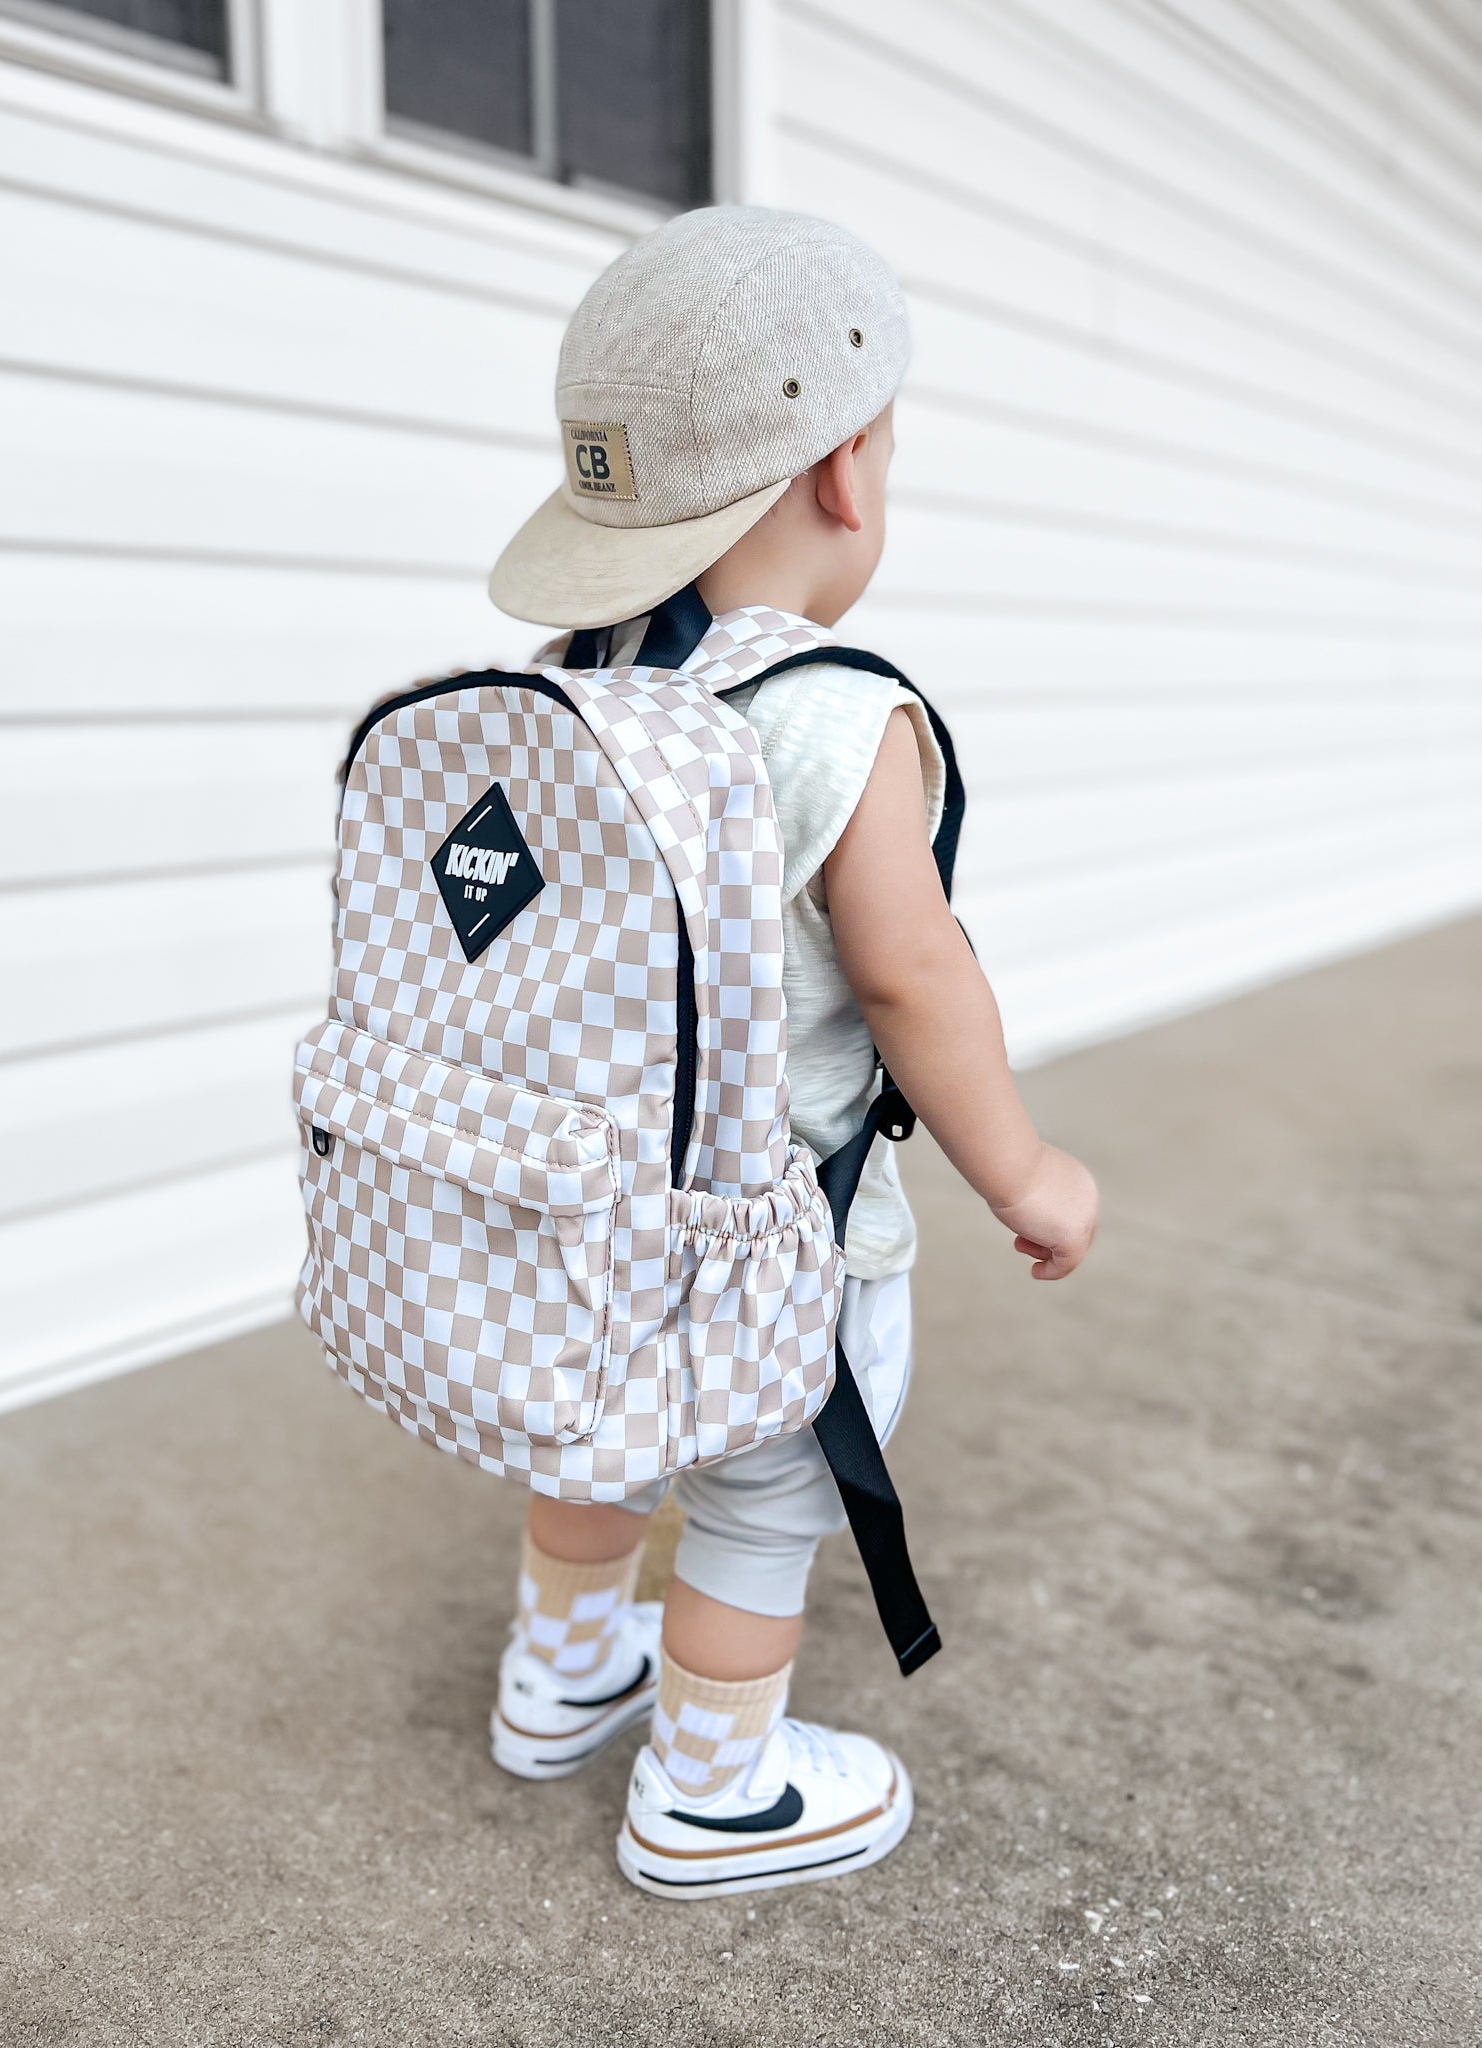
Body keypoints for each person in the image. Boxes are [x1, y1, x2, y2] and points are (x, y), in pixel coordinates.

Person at [483, 206, 1098, 1899]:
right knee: (762, 1497)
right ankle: (712, 1785)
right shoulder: (842, 712)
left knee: (593, 1438)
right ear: (844, 475)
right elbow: (913, 979)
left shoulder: (572, 675)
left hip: (578, 1216)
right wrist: (1024, 1172)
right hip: (770, 1248)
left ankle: (559, 1681)